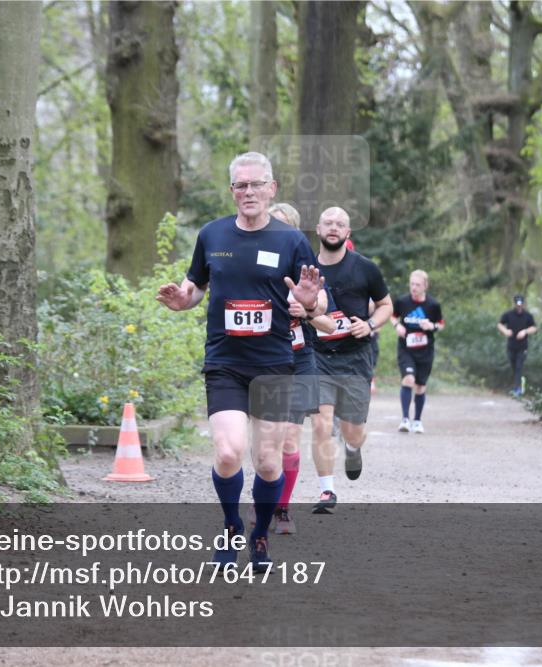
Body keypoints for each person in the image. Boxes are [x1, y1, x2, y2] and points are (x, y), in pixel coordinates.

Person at [157, 152, 323, 570]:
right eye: (240, 185)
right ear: (232, 191)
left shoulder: (291, 240)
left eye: (256, 184)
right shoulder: (212, 235)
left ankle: (260, 535)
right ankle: (231, 530)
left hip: (273, 364)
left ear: (272, 189)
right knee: (229, 452)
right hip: (225, 362)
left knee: (267, 462)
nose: (249, 192)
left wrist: (309, 301)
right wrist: (182, 300)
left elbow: (319, 297)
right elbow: (194, 287)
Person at [310, 207, 392, 514]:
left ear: (348, 233)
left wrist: (370, 325)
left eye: (340, 224)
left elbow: (386, 305)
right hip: (318, 357)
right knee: (321, 423)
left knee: (352, 430)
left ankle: (353, 447)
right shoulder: (306, 269)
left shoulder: (365, 268)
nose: (333, 227)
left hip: (356, 357)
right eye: (328, 223)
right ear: (318, 229)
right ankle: (326, 491)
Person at [267, 203, 337, 534]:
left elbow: (328, 323)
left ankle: (280, 509)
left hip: (298, 359)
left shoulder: (307, 272)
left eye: (284, 228)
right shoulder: (256, 268)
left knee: (290, 438)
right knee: (266, 441)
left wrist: (306, 309)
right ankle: (264, 496)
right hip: (262, 360)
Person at [392, 270, 444, 433]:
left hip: (425, 350)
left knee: (420, 386)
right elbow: (392, 315)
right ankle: (405, 419)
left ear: (425, 286)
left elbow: (441, 324)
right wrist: (397, 325)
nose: (414, 288)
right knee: (408, 379)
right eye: (412, 284)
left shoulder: (433, 305)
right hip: (406, 348)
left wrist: (432, 326)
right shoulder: (402, 301)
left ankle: (417, 421)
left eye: (417, 285)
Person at [497, 294, 538, 397]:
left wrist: (525, 331)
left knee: (519, 367)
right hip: (511, 346)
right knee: (514, 367)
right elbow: (500, 324)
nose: (519, 306)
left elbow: (534, 328)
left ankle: (517, 389)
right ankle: (519, 383)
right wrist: (505, 331)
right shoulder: (508, 315)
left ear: (523, 304)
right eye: (517, 304)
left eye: (521, 304)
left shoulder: (528, 316)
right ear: (515, 304)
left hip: (522, 347)